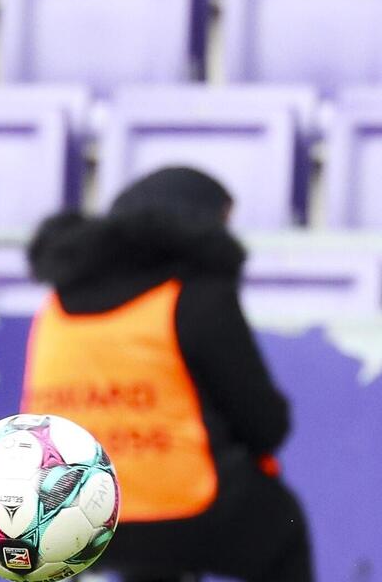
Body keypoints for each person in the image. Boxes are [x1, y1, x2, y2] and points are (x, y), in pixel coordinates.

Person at [22, 166, 311, 582]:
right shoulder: (193, 294)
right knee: (281, 528)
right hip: (182, 512)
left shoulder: (53, 308)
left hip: (65, 520)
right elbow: (264, 424)